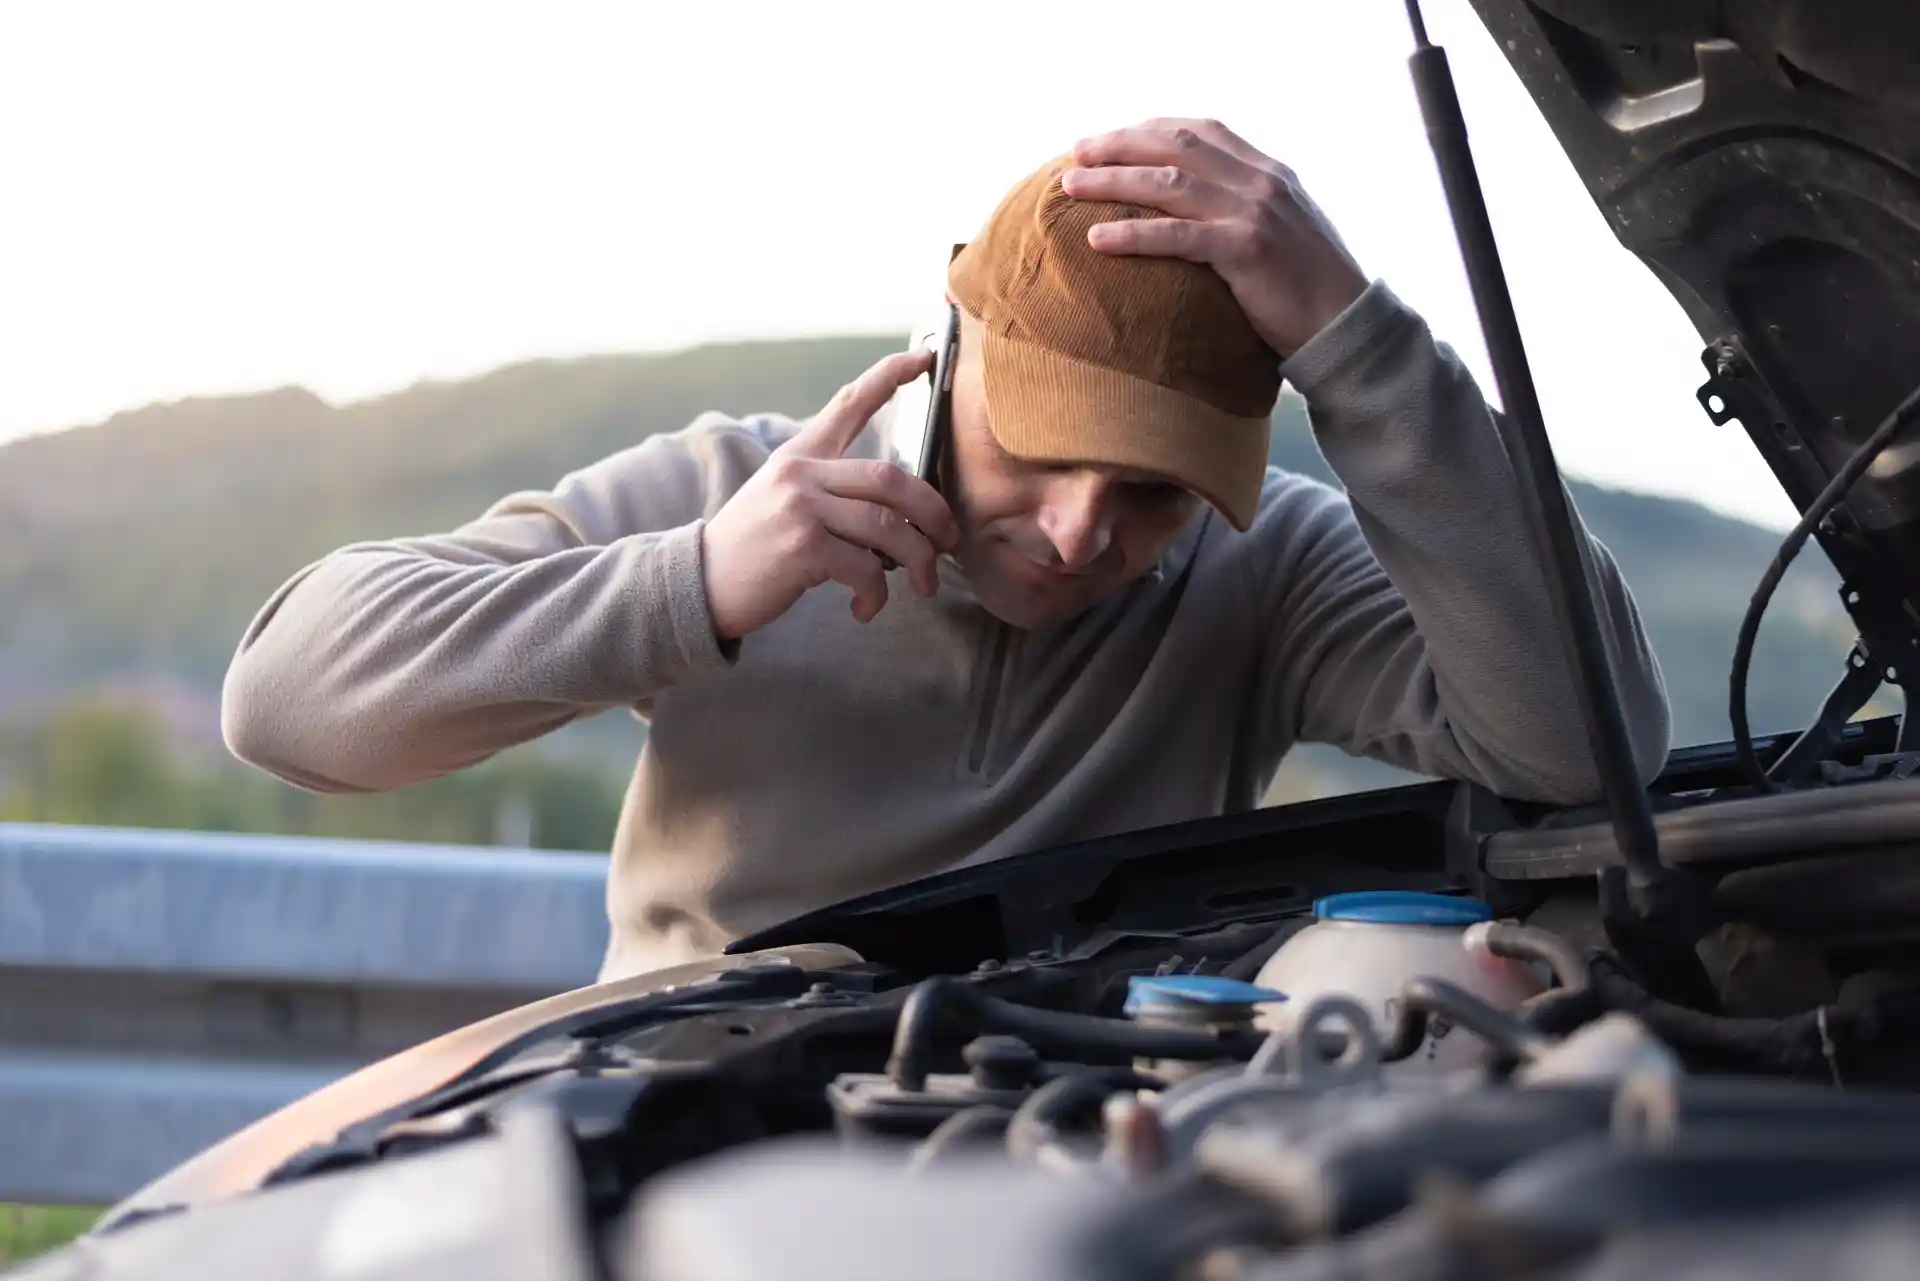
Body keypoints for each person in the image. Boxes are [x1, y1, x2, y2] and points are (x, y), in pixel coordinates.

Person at [222, 119, 1670, 982]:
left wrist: (1362, 343)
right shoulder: (738, 490)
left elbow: (1581, 745)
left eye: (1158, 492)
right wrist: (698, 584)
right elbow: (288, 705)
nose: (1083, 530)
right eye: (1040, 454)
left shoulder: (1266, 572)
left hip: (1070, 1150)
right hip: (689, 1124)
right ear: (942, 358)